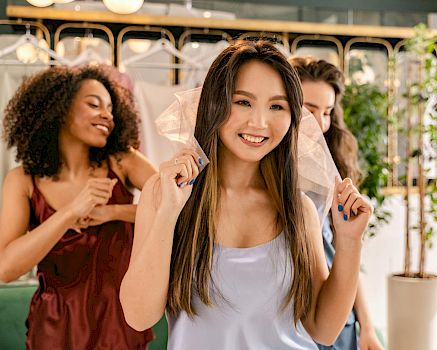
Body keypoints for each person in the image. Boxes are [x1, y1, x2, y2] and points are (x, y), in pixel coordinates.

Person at [120, 40, 373, 350]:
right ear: (214, 103)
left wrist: (350, 241)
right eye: (243, 102)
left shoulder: (298, 209)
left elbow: (323, 330)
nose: (259, 123)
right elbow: (138, 316)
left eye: (277, 106)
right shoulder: (164, 194)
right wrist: (169, 212)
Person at [0, 65, 155, 349]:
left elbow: (181, 205)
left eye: (110, 107)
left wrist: (112, 212)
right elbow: (5, 268)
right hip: (53, 329)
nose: (107, 115)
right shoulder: (22, 180)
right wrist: (70, 212)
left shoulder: (121, 162)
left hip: (117, 324)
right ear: (58, 108)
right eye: (94, 104)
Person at [290, 56, 383, 350]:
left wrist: (366, 326)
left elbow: (343, 255)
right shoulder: (261, 175)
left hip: (337, 316)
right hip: (292, 319)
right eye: (310, 109)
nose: (320, 122)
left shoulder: (331, 175)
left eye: (327, 112)